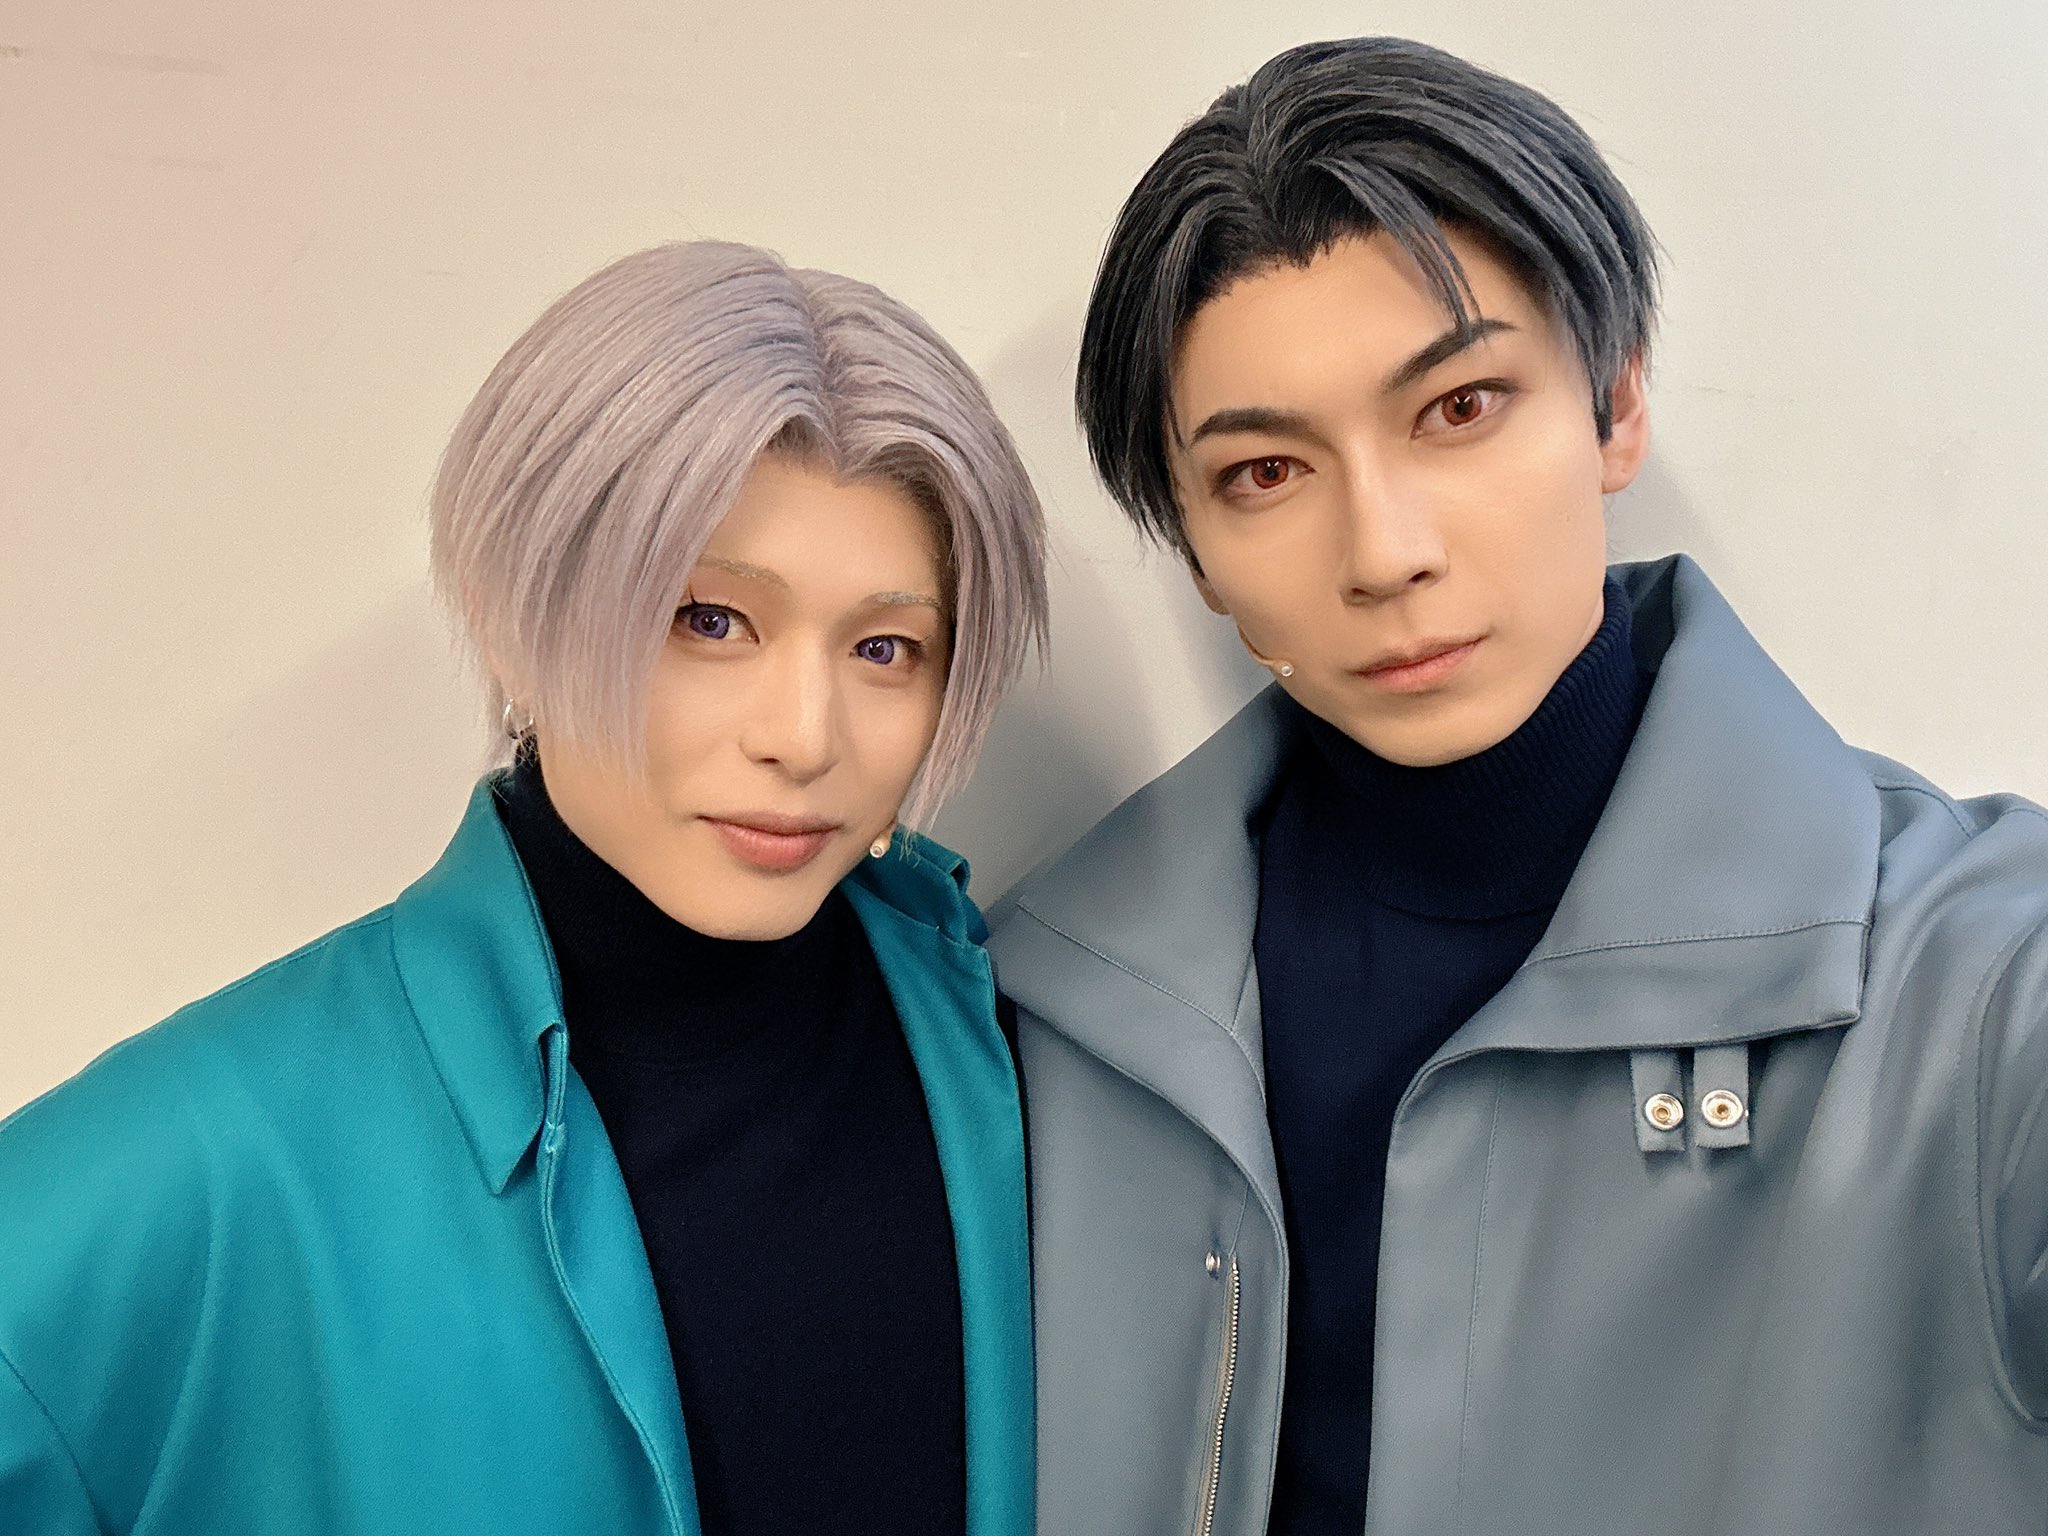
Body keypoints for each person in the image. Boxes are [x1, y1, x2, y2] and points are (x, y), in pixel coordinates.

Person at [989, 36, 2048, 1536]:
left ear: (1617, 404)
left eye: (1461, 407)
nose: (1386, 552)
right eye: (1265, 474)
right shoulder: (1046, 1012)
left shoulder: (1984, 979)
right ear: (1196, 551)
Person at [0, 240, 1045, 1536]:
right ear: (513, 620)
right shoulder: (211, 1155)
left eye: (885, 647)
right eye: (710, 621)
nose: (803, 735)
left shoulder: (1021, 1051)